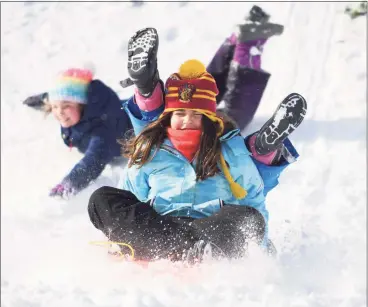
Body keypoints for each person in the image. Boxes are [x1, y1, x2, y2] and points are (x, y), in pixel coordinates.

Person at [87, 26, 307, 263]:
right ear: (168, 116)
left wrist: (261, 249)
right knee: (102, 199)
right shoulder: (152, 150)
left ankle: (266, 145)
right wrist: (122, 235)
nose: (187, 121)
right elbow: (130, 196)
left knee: (249, 219)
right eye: (180, 113)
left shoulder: (229, 151)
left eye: (196, 115)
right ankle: (184, 250)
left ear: (210, 120)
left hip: (209, 231)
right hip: (161, 229)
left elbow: (253, 199)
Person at [24, 68, 133, 198]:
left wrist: (69, 184)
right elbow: (56, 96)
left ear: (82, 105)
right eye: (54, 106)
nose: (59, 112)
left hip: (137, 131)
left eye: (66, 106)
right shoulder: (75, 110)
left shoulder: (102, 132)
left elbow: (93, 161)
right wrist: (39, 100)